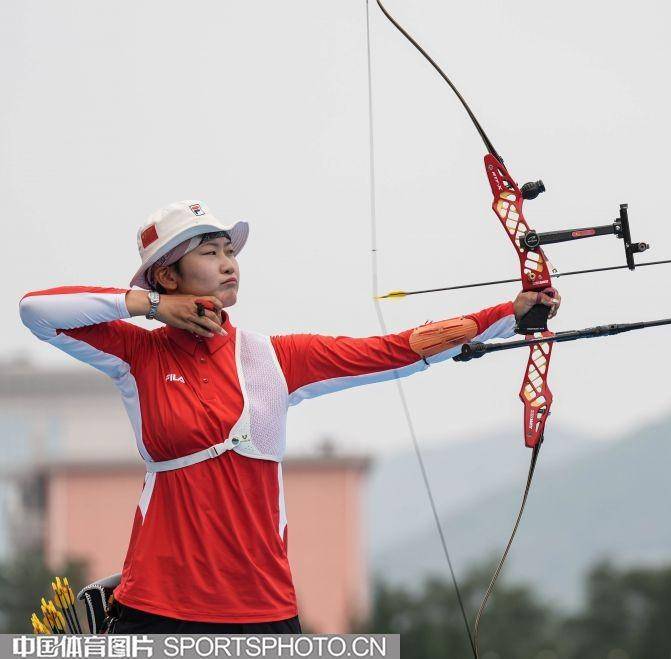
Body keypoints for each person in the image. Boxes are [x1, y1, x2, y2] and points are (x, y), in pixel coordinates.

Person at [18, 200, 560, 633]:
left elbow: (396, 350)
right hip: (157, 607)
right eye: (209, 253)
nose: (229, 263)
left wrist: (507, 315)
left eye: (230, 250)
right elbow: (36, 310)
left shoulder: (275, 358)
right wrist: (151, 308)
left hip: (263, 611)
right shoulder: (138, 354)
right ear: (168, 274)